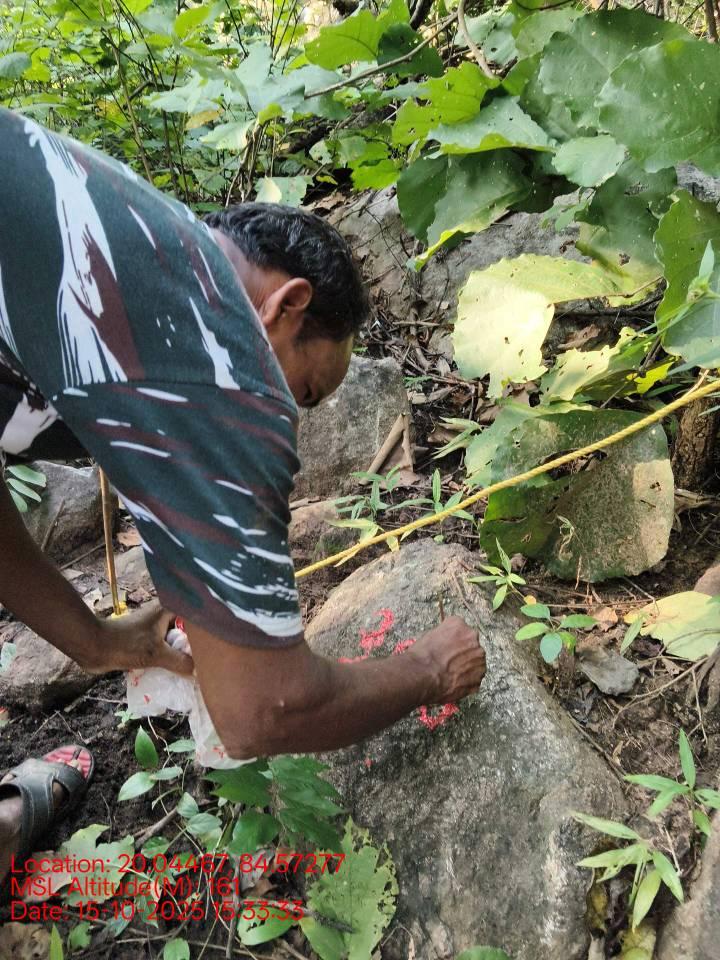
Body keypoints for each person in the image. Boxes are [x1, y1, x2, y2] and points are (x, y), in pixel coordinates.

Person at [0, 107, 486, 869]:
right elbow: (264, 713)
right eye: (305, 390)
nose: (286, 412)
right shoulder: (216, 360)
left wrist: (92, 642)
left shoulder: (124, 228)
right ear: (286, 307)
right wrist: (429, 668)